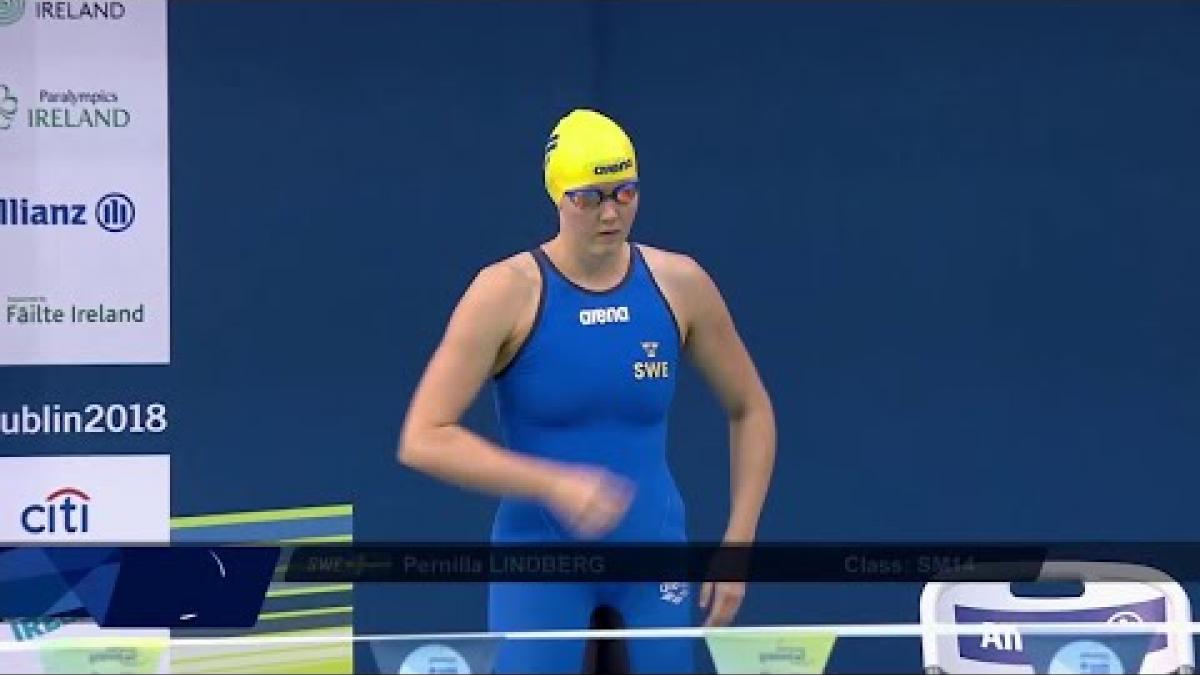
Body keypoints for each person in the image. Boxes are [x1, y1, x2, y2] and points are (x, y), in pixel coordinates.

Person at [398, 108, 776, 674]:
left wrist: (738, 545)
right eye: (590, 197)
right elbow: (424, 437)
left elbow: (750, 409)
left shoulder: (679, 285)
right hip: (539, 566)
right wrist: (553, 483)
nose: (610, 212)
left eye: (625, 193)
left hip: (652, 556)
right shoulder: (506, 292)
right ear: (557, 196)